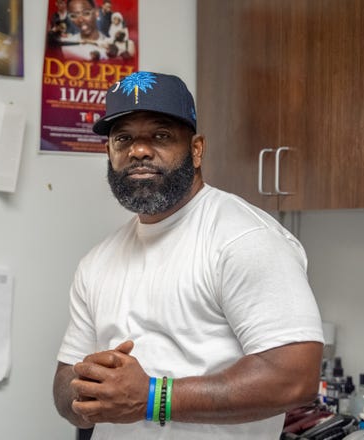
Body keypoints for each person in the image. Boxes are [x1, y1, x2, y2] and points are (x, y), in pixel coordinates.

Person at [53, 71, 324, 439]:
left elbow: (294, 379)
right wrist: (87, 391)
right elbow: (64, 388)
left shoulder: (244, 239)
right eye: (124, 139)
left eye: (161, 136)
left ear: (196, 150)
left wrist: (151, 397)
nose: (139, 150)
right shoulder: (97, 262)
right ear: (109, 152)